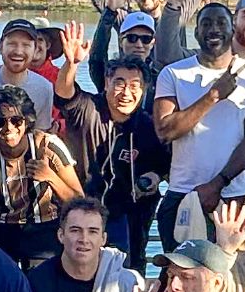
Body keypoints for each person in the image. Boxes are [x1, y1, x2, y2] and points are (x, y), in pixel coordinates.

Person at [152, 2, 245, 245]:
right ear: (196, 32)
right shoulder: (173, 73)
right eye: (206, 24)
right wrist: (213, 96)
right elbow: (165, 131)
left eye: (221, 23)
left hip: (232, 195)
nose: (213, 29)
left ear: (233, 29)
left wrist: (218, 183)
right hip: (182, 192)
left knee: (228, 267)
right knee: (177, 266)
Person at [54, 58, 169, 255]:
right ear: (107, 82)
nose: (126, 93)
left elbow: (162, 165)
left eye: (135, 86)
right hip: (77, 209)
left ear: (144, 90)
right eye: (119, 83)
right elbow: (64, 95)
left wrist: (153, 178)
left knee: (122, 267)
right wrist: (71, 64)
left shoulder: (147, 127)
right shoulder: (87, 109)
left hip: (122, 216)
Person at [0, 86, 81, 265]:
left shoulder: (48, 147)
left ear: (27, 121)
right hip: (3, 231)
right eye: (0, 122)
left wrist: (51, 177)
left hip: (45, 228)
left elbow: (78, 200)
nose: (8, 128)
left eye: (16, 121)